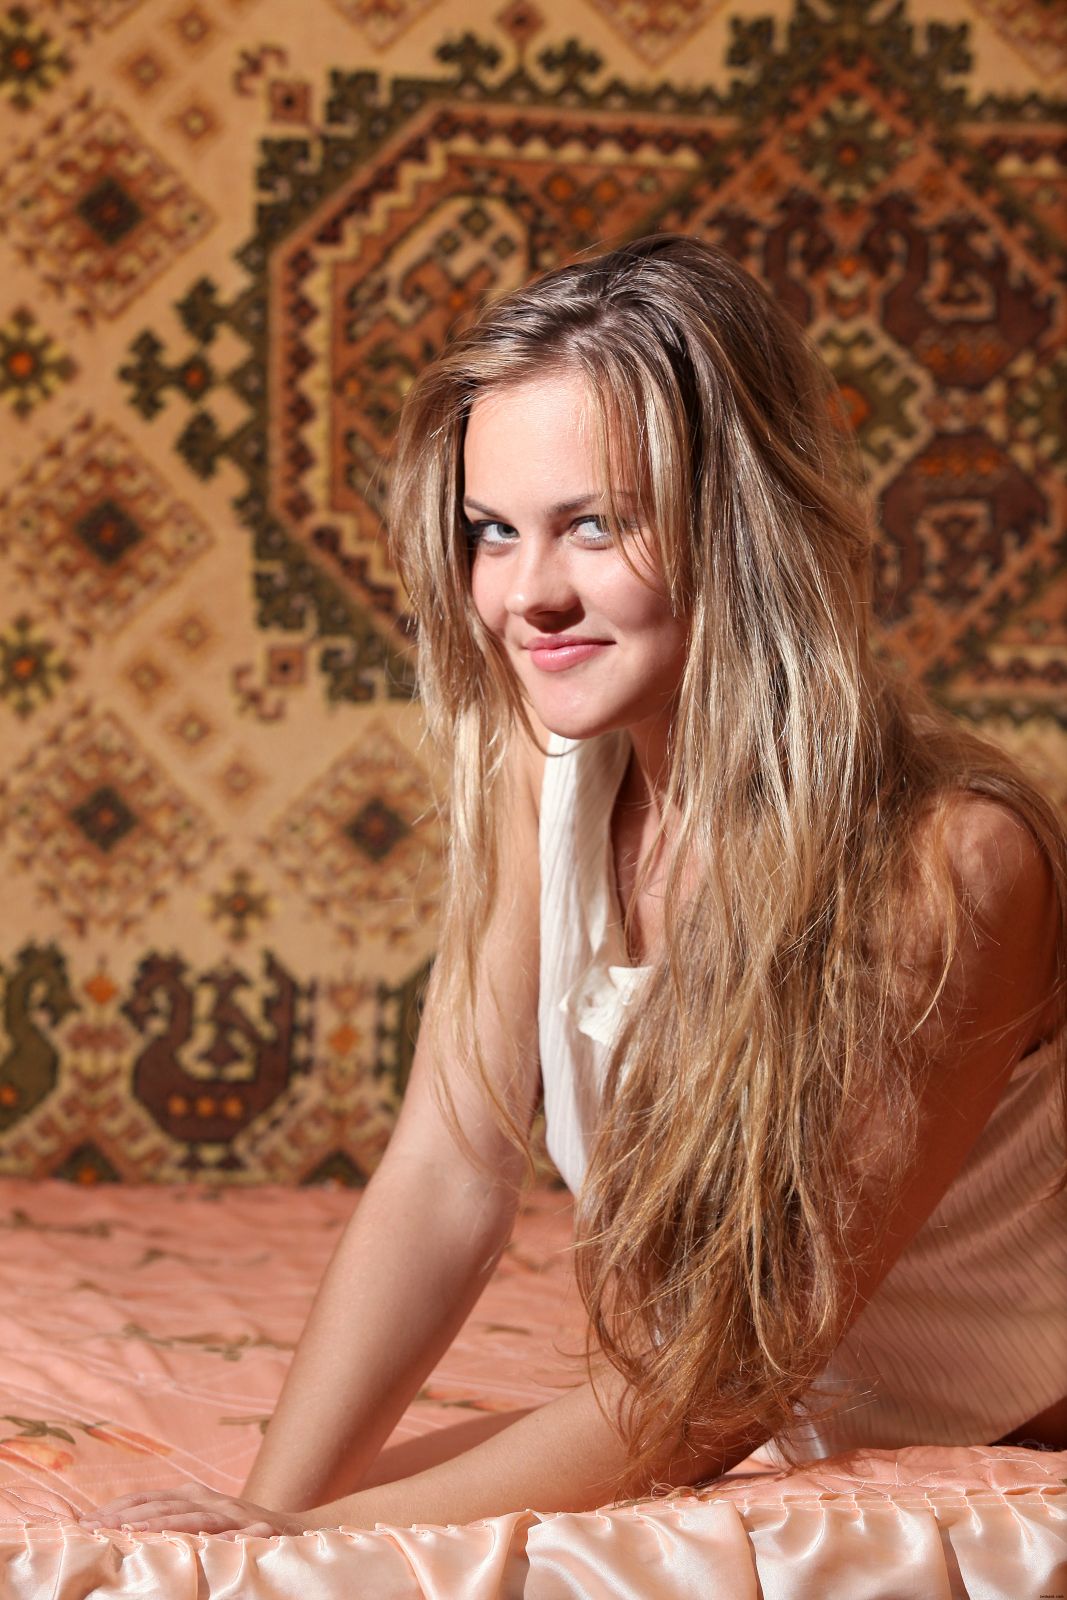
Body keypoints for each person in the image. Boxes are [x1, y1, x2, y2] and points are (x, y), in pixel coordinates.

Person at [80, 234, 1067, 1539]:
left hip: (990, 1439)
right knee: (227, 1538)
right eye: (493, 532)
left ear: (739, 525)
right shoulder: (542, 762)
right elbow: (448, 1171)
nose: (527, 595)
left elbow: (727, 1374)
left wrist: (302, 1550)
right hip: (766, 1418)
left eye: (595, 525)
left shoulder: (952, 862)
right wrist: (266, 1520)